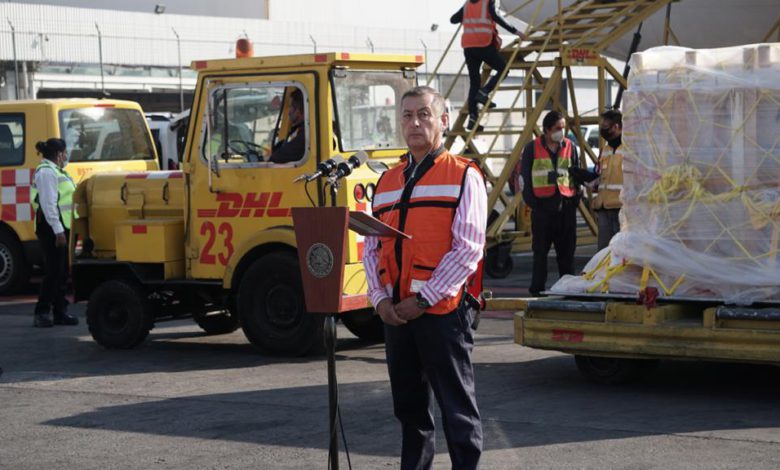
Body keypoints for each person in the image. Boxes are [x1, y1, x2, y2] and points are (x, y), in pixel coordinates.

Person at [364, 86, 486, 470]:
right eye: (407, 116)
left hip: (441, 314)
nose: (414, 123)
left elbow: (468, 248)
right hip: (397, 315)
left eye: (424, 115)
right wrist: (379, 299)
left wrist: (423, 299)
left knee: (457, 412)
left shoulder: (464, 175)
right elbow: (371, 248)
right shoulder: (386, 182)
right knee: (410, 411)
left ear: (443, 122)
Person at [520, 110, 581, 296]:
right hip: (543, 211)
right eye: (557, 128)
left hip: (566, 209)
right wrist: (534, 205)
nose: (561, 132)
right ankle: (537, 290)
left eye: (563, 128)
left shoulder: (570, 147)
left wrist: (575, 201)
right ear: (546, 130)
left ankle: (568, 290)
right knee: (540, 254)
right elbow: (525, 180)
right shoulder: (532, 148)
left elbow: (576, 175)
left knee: (567, 254)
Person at [451, 0, 525, 131]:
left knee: (474, 82)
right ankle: (484, 92)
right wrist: (515, 31)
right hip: (483, 44)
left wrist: (467, 18)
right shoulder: (488, 1)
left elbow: (453, 19)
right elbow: (496, 16)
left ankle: (472, 119)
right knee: (503, 68)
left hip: (468, 47)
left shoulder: (468, 4)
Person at [31, 138, 78, 327]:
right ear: (59, 154)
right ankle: (42, 312)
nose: (66, 156)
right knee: (53, 271)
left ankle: (60, 311)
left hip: (60, 226)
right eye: (65, 153)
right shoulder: (46, 173)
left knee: (61, 272)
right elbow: (48, 204)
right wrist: (58, 231)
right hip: (51, 228)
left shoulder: (56, 171)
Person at [591, 109, 624, 249]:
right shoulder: (606, 149)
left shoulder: (630, 148)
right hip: (604, 207)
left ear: (616, 127)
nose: (603, 131)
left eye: (606, 127)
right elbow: (600, 174)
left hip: (621, 208)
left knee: (620, 250)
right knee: (603, 251)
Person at [267, 88, 305, 163]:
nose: (289, 111)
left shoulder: (304, 134)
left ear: (298, 111)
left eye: (291, 106)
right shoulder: (298, 130)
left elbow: (278, 158)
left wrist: (270, 159)